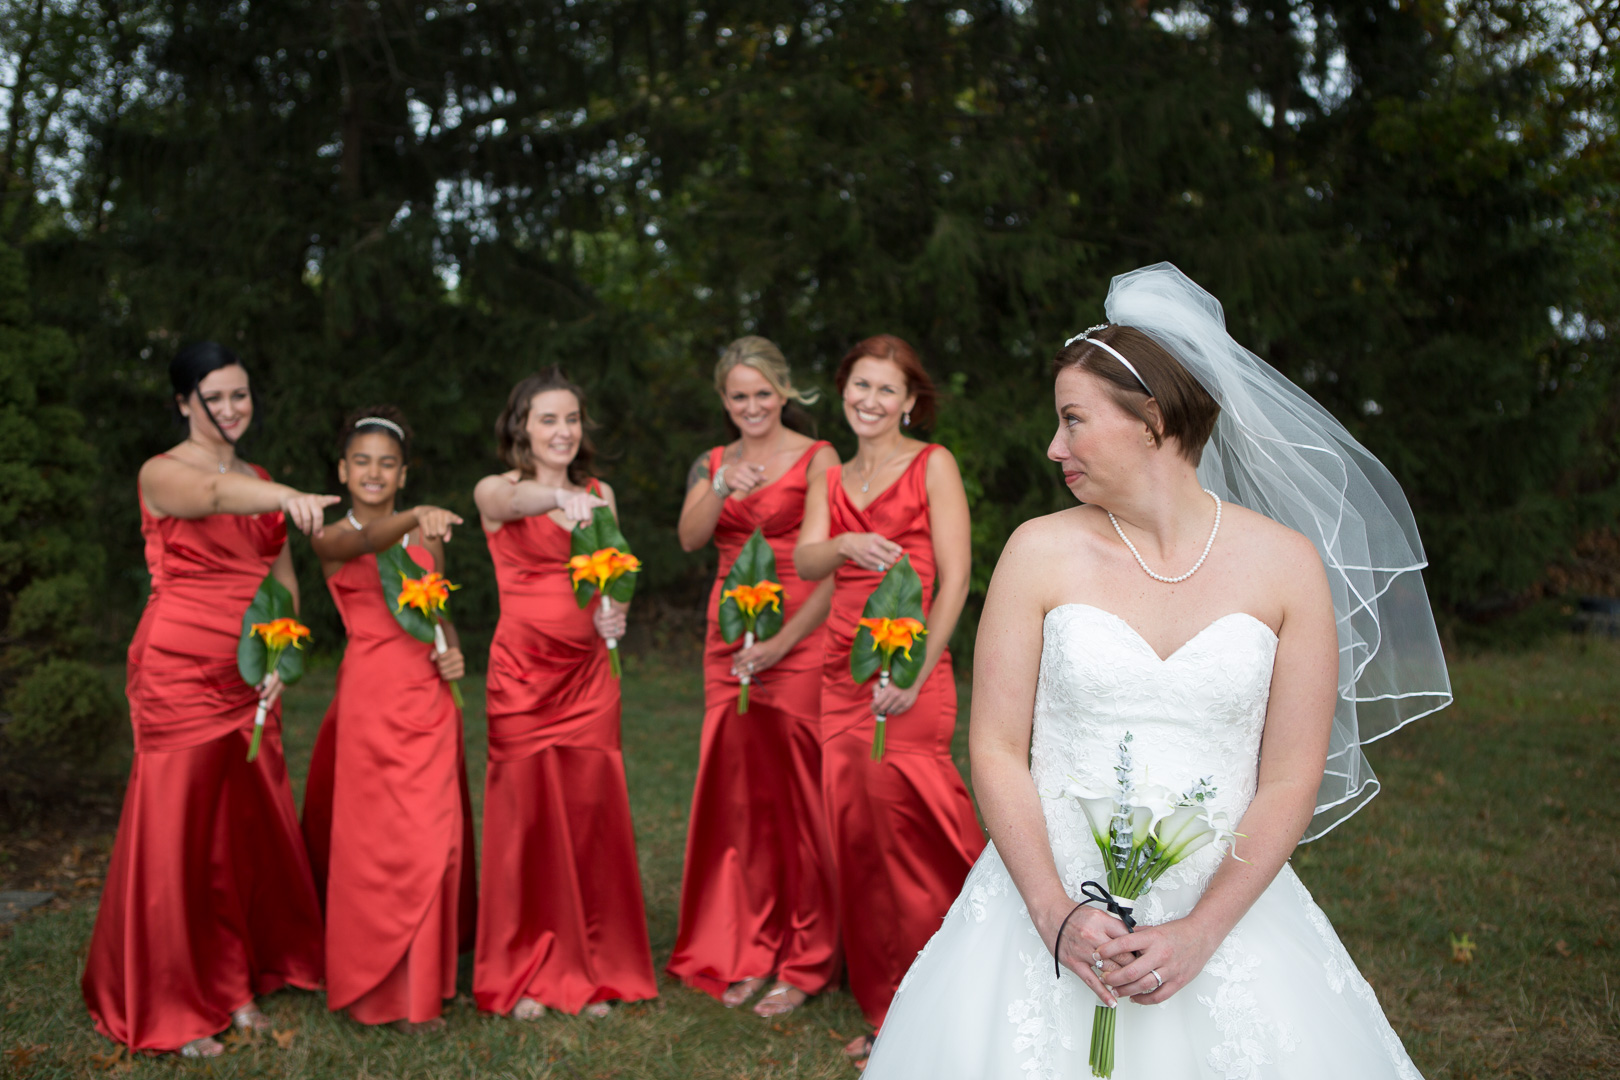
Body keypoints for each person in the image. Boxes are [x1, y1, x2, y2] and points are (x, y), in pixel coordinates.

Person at [863, 263, 1453, 1078]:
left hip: (1227, 902)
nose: (1053, 447)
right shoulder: (1038, 550)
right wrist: (1053, 913)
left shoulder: (1286, 566)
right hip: (1047, 897)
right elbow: (997, 747)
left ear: (1150, 420)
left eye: (1073, 421)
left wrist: (1203, 930)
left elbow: (1289, 775)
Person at [82, 342, 337, 1057]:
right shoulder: (163, 472)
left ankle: (234, 986)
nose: (230, 409)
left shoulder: (258, 478)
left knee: (234, 840)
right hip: (177, 672)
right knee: (177, 840)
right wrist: (287, 496)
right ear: (184, 402)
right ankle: (168, 1003)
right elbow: (217, 498)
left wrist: (283, 654)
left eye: (241, 396)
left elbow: (282, 580)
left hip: (249, 676)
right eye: (214, 397)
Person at [795, 335, 986, 1063]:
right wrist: (845, 546)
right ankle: (888, 1010)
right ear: (843, 390)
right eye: (860, 386)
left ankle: (965, 984)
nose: (869, 400)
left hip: (909, 672)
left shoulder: (933, 465)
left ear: (910, 402)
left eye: (886, 390)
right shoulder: (830, 472)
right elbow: (809, 556)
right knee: (860, 847)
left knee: (921, 837)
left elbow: (958, 579)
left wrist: (918, 671)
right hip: (838, 679)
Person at [471, 368, 657, 1019]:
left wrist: (615, 614)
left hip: (589, 680)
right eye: (548, 419)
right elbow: (508, 506)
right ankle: (522, 969)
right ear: (522, 426)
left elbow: (614, 571)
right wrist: (555, 501)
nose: (562, 431)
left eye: (571, 419)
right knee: (523, 823)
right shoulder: (498, 490)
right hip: (521, 678)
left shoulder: (600, 493)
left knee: (588, 819)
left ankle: (592, 964)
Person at [667, 337, 841, 1016]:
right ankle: (746, 945)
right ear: (723, 400)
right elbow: (688, 539)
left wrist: (785, 643)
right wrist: (718, 487)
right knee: (739, 800)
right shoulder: (711, 462)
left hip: (797, 636)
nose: (751, 407)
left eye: (762, 394)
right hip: (728, 642)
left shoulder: (818, 457)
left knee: (798, 798)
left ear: (785, 391)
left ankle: (806, 956)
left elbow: (828, 565)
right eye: (738, 397)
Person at [300, 407, 477, 1031]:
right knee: (378, 846)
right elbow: (368, 544)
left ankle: (424, 988)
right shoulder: (328, 534)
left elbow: (435, 607)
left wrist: (451, 648)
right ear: (342, 470)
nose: (374, 472)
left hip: (428, 696)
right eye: (362, 461)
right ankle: (372, 982)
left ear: (403, 472)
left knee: (434, 841)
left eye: (388, 463)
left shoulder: (425, 538)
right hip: (371, 698)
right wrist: (413, 515)